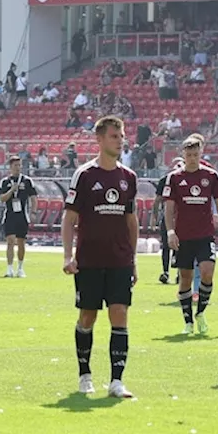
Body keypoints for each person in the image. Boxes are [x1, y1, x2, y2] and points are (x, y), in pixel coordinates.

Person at [62, 116, 139, 399]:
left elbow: (132, 222)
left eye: (121, 136)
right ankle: (85, 374)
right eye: (114, 136)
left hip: (119, 259)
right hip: (89, 260)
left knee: (119, 314)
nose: (120, 141)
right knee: (88, 316)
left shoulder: (128, 177)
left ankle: (117, 381)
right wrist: (67, 255)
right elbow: (69, 218)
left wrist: (134, 261)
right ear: (99, 139)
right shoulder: (84, 175)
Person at [163, 135, 218, 335]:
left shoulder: (211, 176)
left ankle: (200, 313)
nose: (192, 158)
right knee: (185, 279)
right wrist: (171, 231)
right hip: (183, 236)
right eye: (189, 154)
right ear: (183, 154)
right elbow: (169, 207)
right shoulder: (174, 178)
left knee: (208, 272)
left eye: (195, 154)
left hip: (205, 234)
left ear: (201, 154)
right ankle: (188, 321)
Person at [0, 157, 37, 278]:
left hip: (22, 215)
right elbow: (1, 199)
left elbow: (33, 197)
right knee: (10, 241)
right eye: (15, 165)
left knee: (21, 242)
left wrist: (33, 212)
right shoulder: (5, 181)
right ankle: (9, 268)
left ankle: (20, 268)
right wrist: (11, 190)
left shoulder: (27, 181)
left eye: (19, 165)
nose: (18, 167)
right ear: (10, 167)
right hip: (9, 215)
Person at [153, 158, 183, 284]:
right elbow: (157, 201)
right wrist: (155, 217)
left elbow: (157, 201)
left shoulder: (184, 179)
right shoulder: (165, 180)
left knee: (178, 246)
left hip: (181, 217)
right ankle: (167, 271)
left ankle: (177, 272)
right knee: (166, 245)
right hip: (168, 216)